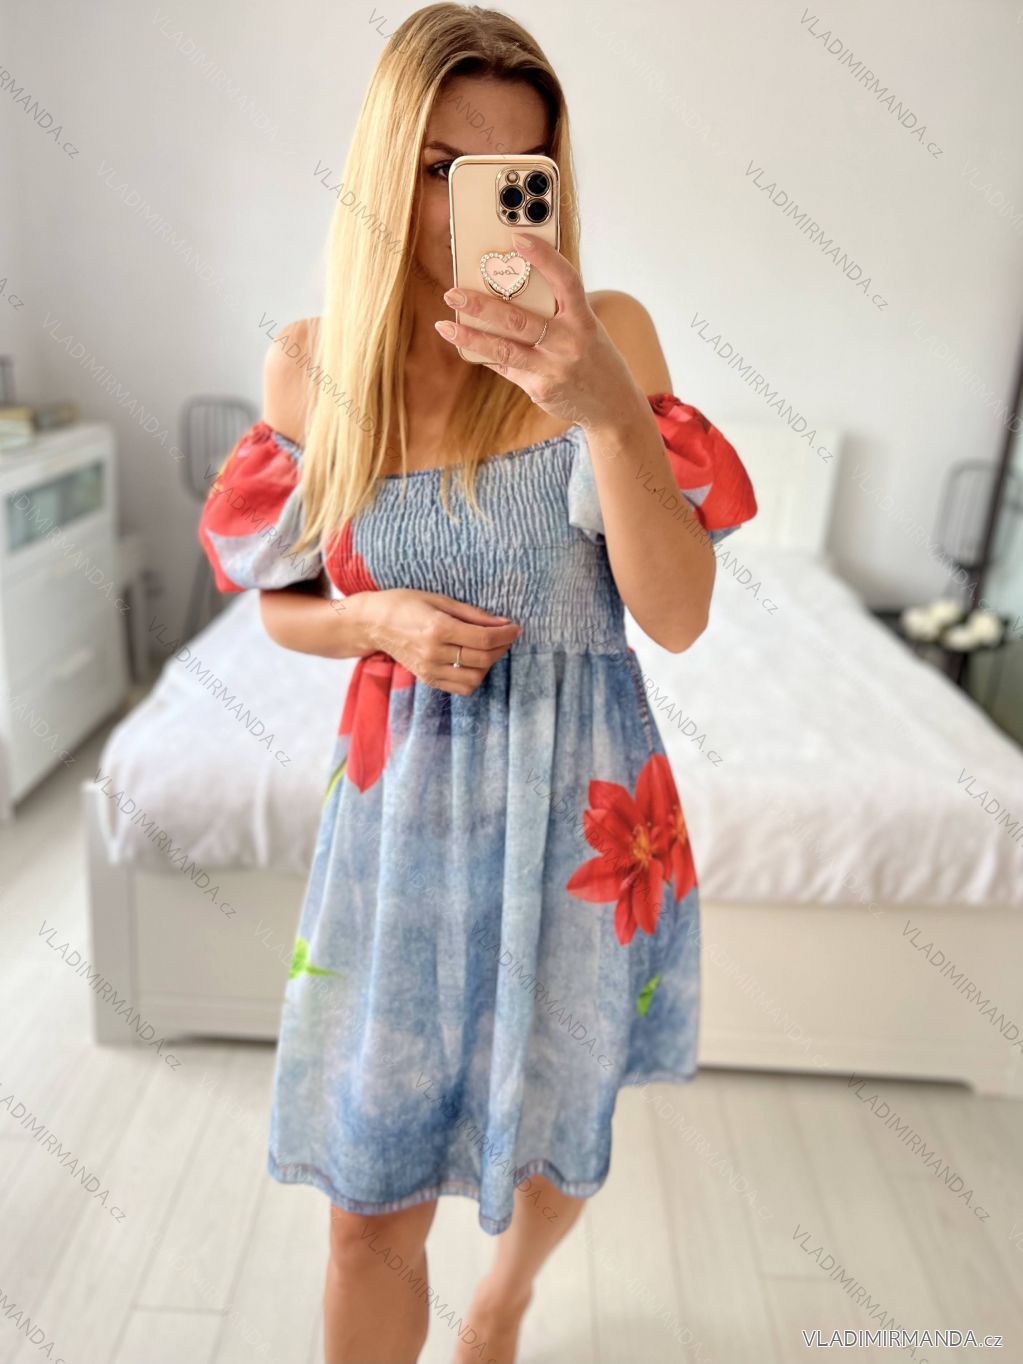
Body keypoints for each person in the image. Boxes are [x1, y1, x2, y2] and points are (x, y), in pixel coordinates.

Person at [197, 5, 757, 1361]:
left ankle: (502, 1302)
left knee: (559, 1131)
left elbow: (677, 616)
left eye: (516, 172)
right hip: (399, 827)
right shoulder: (312, 365)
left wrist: (604, 406)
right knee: (365, 1211)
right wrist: (374, 620)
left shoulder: (609, 334)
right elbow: (278, 605)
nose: (474, 209)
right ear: (387, 169)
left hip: (585, 817)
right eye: (442, 168)